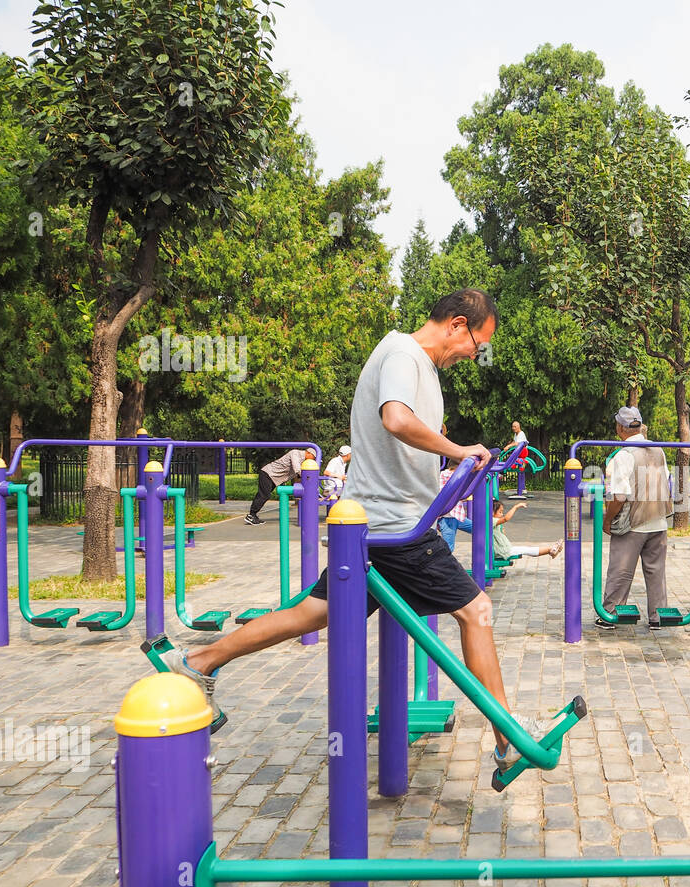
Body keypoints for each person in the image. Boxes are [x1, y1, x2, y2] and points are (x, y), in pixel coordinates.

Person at [162, 289, 557, 774]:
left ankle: (198, 662)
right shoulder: (402, 354)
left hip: (379, 525)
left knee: (311, 612)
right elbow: (394, 418)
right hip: (398, 529)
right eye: (477, 343)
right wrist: (456, 450)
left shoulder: (420, 367)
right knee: (477, 611)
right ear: (457, 325)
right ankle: (507, 738)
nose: (474, 354)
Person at [597, 406, 673, 630]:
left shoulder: (624, 455)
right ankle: (658, 616)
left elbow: (619, 496)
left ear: (620, 428)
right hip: (658, 520)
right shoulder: (658, 450)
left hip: (633, 521)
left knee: (620, 571)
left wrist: (607, 519)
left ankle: (609, 614)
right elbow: (666, 480)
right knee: (656, 572)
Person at [247, 446, 316, 525]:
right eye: (313, 457)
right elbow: (297, 469)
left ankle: (253, 515)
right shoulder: (295, 453)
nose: (313, 459)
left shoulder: (303, 461)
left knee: (263, 495)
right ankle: (251, 515)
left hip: (274, 478)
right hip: (268, 474)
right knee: (264, 495)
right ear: (308, 453)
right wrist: (309, 477)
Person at [491, 500, 562, 562]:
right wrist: (515, 507)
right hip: (502, 552)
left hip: (504, 550)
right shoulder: (491, 520)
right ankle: (551, 549)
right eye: (500, 512)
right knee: (526, 550)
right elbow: (505, 519)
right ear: (492, 512)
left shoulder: (493, 521)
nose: (502, 514)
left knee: (526, 549)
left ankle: (551, 550)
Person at [436, 464, 473, 551]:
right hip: (447, 518)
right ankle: (442, 564)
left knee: (481, 529)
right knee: (449, 548)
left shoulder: (452, 474)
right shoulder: (448, 475)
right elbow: (443, 492)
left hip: (457, 516)